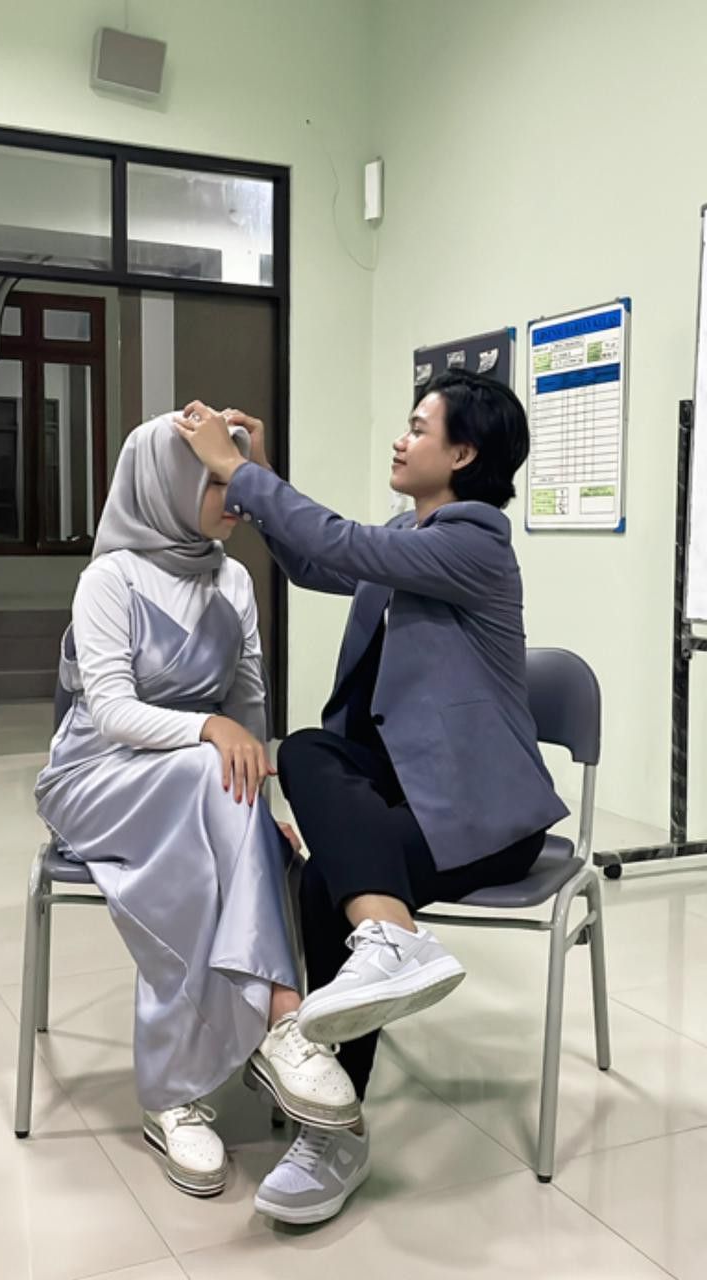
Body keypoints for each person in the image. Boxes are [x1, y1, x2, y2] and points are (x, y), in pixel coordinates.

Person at [175, 372, 569, 1224]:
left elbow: (346, 545)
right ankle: (386, 944)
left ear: (461, 454)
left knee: (323, 879)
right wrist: (267, 467)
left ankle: (334, 1132)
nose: (401, 438)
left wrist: (240, 474)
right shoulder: (412, 532)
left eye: (418, 427)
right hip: (407, 797)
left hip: (486, 818)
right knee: (315, 752)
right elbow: (322, 557)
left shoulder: (474, 543)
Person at [34, 411, 361, 1200]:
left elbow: (249, 713)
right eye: (214, 478)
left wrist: (262, 806)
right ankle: (282, 1015)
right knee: (211, 774)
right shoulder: (109, 579)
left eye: (233, 477)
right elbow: (111, 711)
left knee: (228, 795)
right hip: (97, 776)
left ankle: (180, 1091)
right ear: (165, 484)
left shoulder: (233, 579)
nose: (232, 496)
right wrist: (209, 730)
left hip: (194, 778)